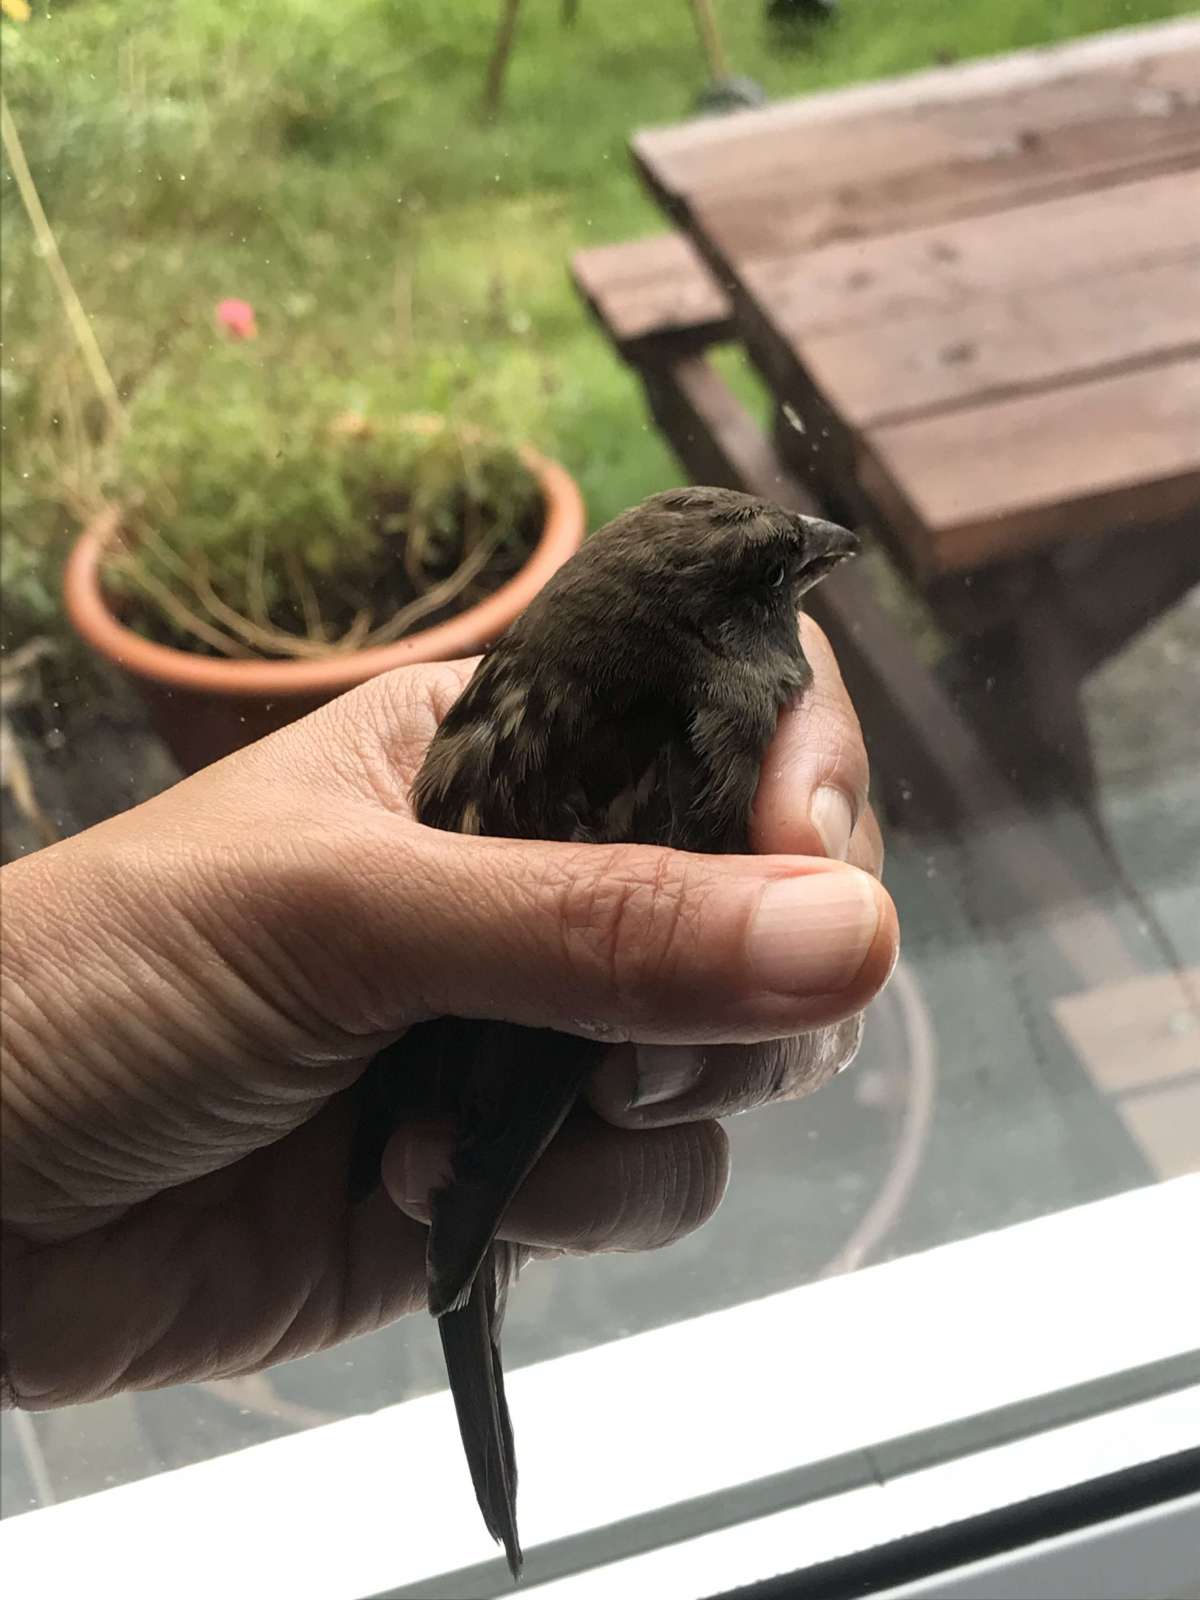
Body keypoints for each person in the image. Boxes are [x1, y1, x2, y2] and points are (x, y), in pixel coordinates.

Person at [0, 619, 897, 1411]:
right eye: (766, 592)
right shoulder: (667, 735)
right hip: (451, 1095)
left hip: (367, 1125)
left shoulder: (551, 704)